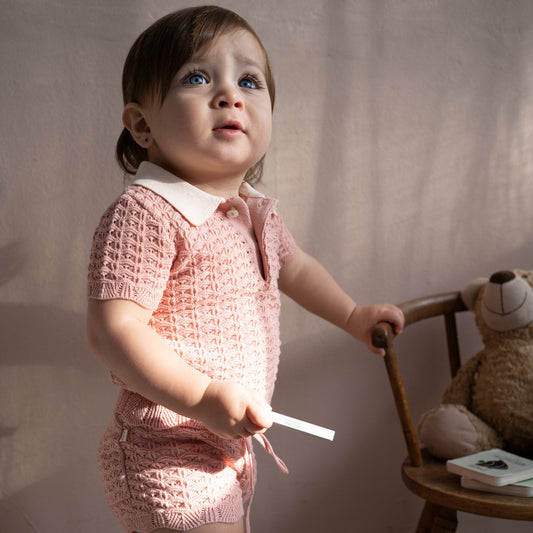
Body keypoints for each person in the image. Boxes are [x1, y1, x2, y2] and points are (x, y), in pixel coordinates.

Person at [86, 5, 404, 533]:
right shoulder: (146, 212)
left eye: (249, 82)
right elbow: (112, 329)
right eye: (197, 77)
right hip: (164, 448)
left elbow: (296, 268)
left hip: (228, 445)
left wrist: (352, 314)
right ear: (142, 125)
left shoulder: (254, 211)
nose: (229, 95)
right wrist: (201, 396)